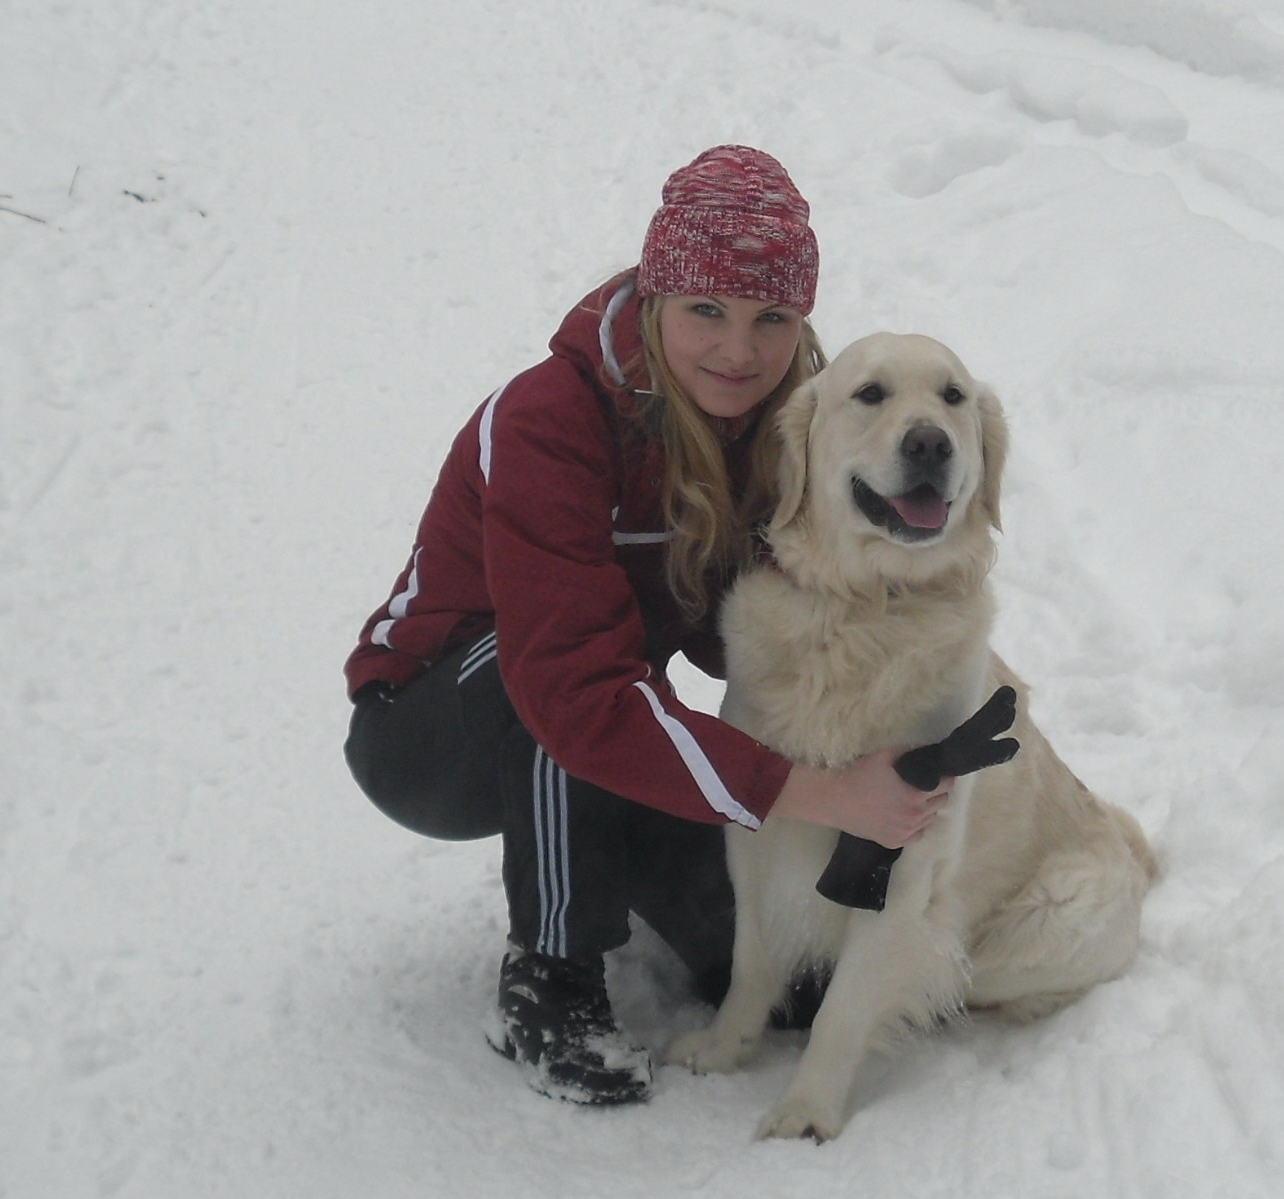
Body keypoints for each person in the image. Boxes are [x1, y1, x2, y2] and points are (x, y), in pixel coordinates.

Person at [342, 145, 952, 1107]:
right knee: (553, 687)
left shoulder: (785, 421)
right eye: (706, 309)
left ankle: (606, 848)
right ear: (656, 294)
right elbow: (574, 691)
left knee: (783, 983)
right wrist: (818, 791)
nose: (739, 350)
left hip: (608, 703)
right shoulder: (548, 420)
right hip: (432, 726)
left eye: (771, 318)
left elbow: (745, 628)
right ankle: (550, 975)